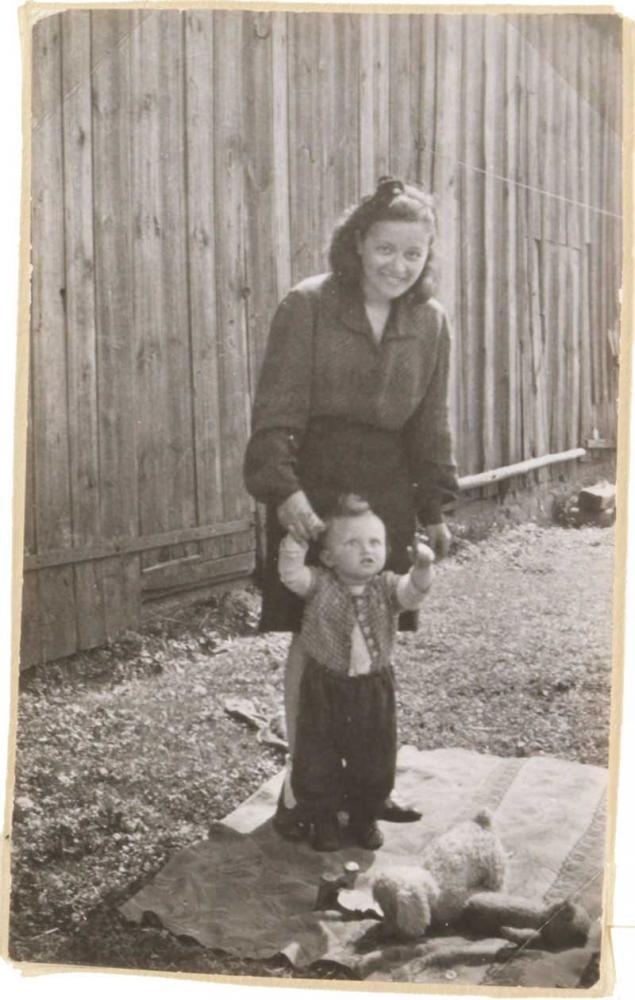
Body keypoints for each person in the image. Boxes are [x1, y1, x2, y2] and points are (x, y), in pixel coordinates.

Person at [243, 176, 458, 839]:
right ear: (358, 242)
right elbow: (274, 417)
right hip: (313, 485)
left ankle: (365, 786)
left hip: (383, 498)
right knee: (315, 641)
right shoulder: (306, 305)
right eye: (386, 248)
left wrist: (435, 508)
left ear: (427, 258)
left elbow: (430, 427)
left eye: (413, 254)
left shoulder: (430, 323)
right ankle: (303, 793)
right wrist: (287, 496)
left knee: (372, 643)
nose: (398, 266)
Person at [279, 495, 435, 851]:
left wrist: (423, 567)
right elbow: (290, 574)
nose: (367, 549)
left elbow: (413, 594)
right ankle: (323, 818)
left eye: (375, 542)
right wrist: (297, 540)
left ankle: (365, 816)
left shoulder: (387, 587)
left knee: (375, 754)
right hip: (324, 687)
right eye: (352, 542)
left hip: (372, 689)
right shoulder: (318, 584)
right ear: (329, 556)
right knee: (319, 753)